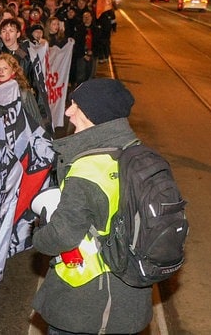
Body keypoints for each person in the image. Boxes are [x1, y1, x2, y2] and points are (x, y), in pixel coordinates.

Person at [32, 79, 151, 334]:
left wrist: (39, 234)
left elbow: (62, 235)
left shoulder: (88, 169)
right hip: (131, 298)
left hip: (86, 302)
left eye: (76, 105)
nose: (68, 112)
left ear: (95, 114)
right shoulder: (141, 156)